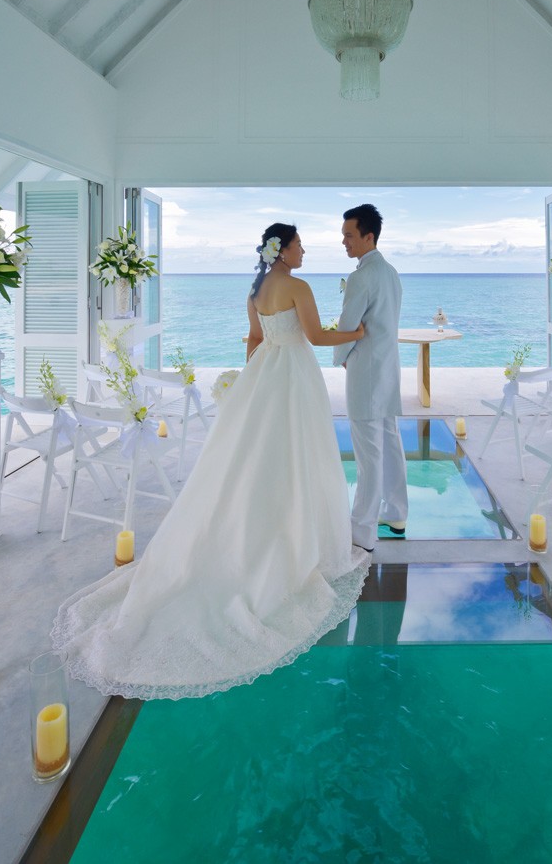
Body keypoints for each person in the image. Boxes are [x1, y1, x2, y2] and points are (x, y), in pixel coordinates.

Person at [52, 224, 370, 701]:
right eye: (300, 244)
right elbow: (318, 336)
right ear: (281, 250)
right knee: (298, 457)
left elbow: (253, 340)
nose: (306, 250)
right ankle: (296, 539)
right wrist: (360, 331)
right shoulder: (298, 286)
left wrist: (249, 388)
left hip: (265, 375)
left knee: (256, 460)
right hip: (294, 378)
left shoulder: (256, 289)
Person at [333, 204, 408, 551]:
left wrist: (342, 358)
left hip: (366, 371)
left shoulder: (361, 277)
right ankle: (396, 512)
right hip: (389, 368)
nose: (344, 241)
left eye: (349, 235)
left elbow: (348, 326)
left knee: (369, 454)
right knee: (390, 443)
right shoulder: (391, 272)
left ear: (368, 236)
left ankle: (362, 531)